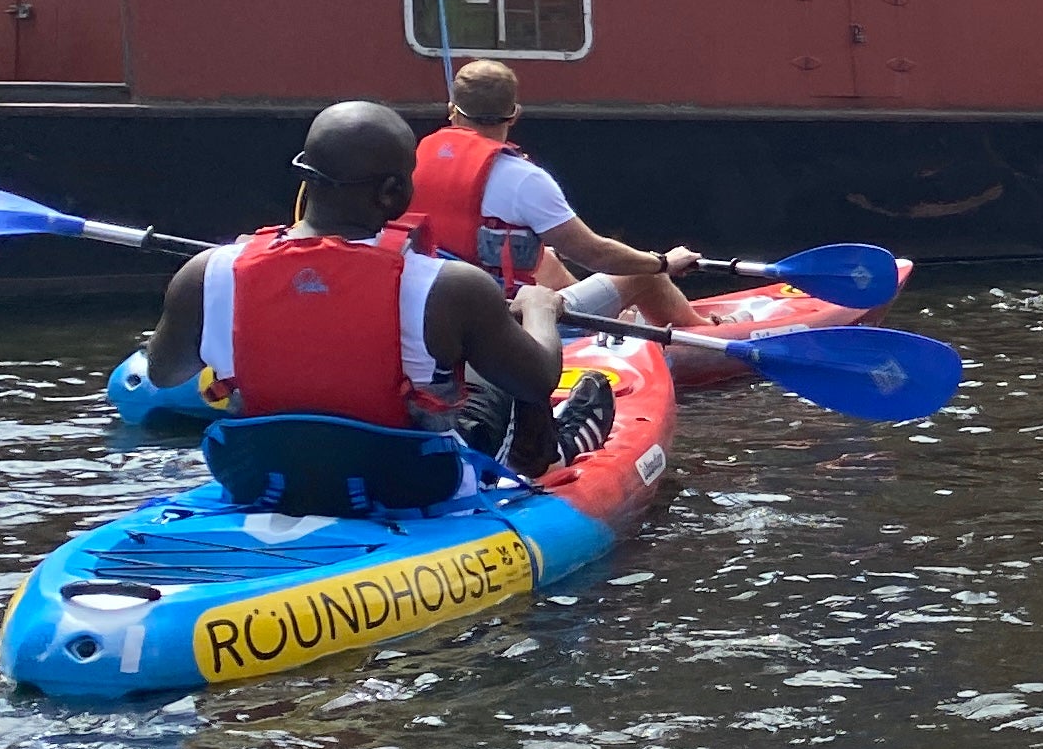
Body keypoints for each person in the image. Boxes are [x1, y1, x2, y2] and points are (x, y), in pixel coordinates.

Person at [143, 99, 571, 470]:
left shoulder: (207, 273)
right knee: (496, 375)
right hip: (409, 487)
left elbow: (164, 373)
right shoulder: (452, 288)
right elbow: (537, 381)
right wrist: (538, 309)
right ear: (394, 191)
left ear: (306, 176)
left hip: (260, 477)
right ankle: (557, 450)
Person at [405, 59, 705, 331]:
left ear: (451, 110)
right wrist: (663, 262)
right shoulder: (524, 178)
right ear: (514, 115)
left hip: (431, 310)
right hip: (508, 325)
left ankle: (603, 321)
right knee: (643, 275)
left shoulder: (413, 161)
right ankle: (704, 328)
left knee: (544, 257)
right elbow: (596, 254)